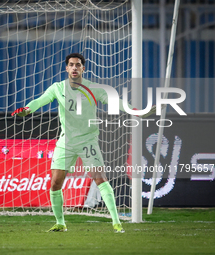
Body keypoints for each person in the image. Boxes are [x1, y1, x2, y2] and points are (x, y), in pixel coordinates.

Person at [12, 53, 155, 233]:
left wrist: (137, 111)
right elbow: (39, 101)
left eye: (77, 65)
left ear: (83, 68)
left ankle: (117, 223)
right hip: (66, 141)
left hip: (88, 141)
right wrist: (27, 109)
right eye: (71, 65)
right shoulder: (57, 88)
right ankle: (60, 223)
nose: (74, 68)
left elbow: (115, 101)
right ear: (66, 68)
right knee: (55, 182)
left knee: (100, 179)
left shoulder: (93, 88)